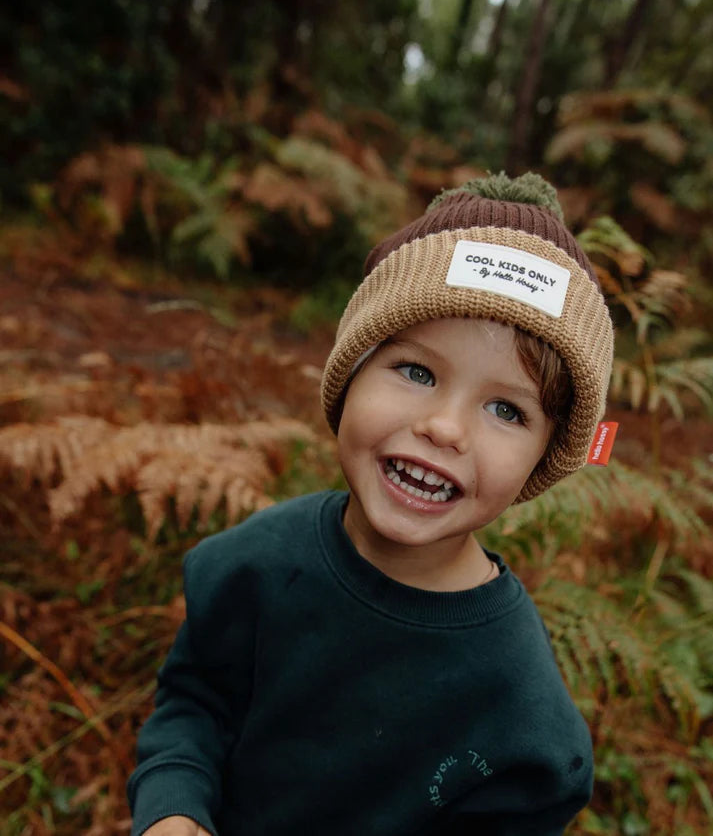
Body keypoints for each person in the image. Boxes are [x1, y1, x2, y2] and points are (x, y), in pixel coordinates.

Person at [127, 172, 614, 836]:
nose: (444, 428)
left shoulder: (518, 706)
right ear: (351, 373)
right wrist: (174, 809)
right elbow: (194, 707)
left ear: (545, 456)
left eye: (506, 410)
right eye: (417, 372)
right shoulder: (259, 562)